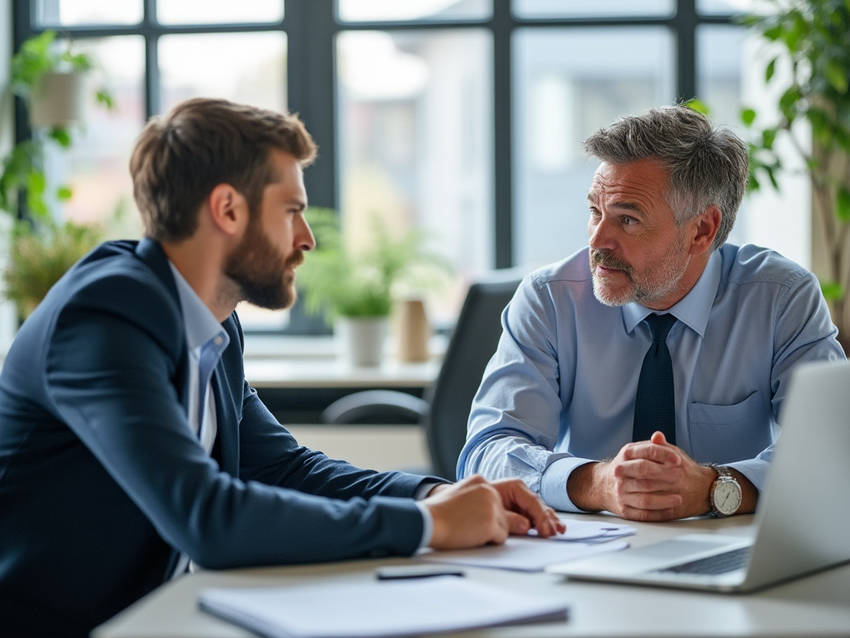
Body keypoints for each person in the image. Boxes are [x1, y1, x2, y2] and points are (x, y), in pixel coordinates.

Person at [0, 98, 562, 638]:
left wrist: (439, 494)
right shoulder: (105, 316)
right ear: (227, 209)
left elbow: (285, 469)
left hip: (152, 616)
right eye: (292, 210)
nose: (307, 238)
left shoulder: (211, 321)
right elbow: (209, 519)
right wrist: (431, 527)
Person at [458, 105, 845, 523]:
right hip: (589, 550)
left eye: (627, 219)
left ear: (702, 230)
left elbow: (833, 449)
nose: (598, 240)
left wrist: (717, 488)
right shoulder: (550, 300)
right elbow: (487, 451)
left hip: (729, 548)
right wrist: (598, 483)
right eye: (594, 212)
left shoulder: (780, 299)